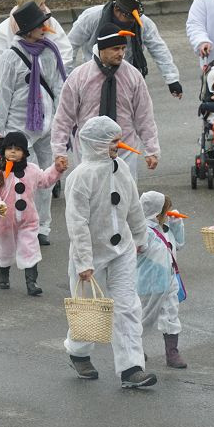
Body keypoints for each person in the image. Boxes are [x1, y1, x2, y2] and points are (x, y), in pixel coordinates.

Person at [64, 116, 157, 389]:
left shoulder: (122, 169)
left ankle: (131, 367)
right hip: (90, 255)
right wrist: (83, 260)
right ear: (96, 144)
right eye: (112, 141)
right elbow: (76, 222)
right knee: (89, 310)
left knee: (127, 306)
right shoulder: (80, 177)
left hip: (122, 250)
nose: (118, 145)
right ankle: (78, 351)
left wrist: (140, 237)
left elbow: (133, 206)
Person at [0, 0, 67, 246]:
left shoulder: (50, 51)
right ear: (28, 30)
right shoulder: (10, 57)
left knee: (46, 178)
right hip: (19, 128)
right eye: (39, 24)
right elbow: (3, 94)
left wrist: (62, 119)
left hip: (47, 124)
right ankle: (20, 223)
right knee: (25, 180)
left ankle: (42, 226)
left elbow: (57, 86)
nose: (44, 27)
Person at [51, 22, 159, 181]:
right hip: (88, 151)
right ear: (102, 49)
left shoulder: (133, 76)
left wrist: (152, 150)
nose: (121, 53)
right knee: (91, 199)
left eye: (123, 48)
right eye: (115, 49)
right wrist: (59, 151)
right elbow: (64, 116)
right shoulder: (80, 76)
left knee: (124, 199)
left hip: (124, 150)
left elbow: (144, 116)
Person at [0, 132, 66, 296]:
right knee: (4, 250)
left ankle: (31, 282)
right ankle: (4, 273)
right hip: (5, 221)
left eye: (17, 149)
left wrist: (56, 169)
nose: (13, 152)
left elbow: (45, 180)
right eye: (9, 148)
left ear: (24, 152)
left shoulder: (32, 170)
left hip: (28, 220)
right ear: (3, 151)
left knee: (30, 249)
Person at [68, 0, 182, 98]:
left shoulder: (142, 22)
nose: (132, 21)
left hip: (127, 79)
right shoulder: (92, 18)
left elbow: (158, 48)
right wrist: (68, 80)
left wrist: (172, 79)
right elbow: (70, 46)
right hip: (93, 78)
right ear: (117, 9)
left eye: (135, 17)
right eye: (128, 16)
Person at [136, 191, 187, 369]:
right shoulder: (143, 231)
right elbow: (136, 247)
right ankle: (134, 349)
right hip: (149, 285)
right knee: (143, 318)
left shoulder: (166, 229)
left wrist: (176, 224)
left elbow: (179, 244)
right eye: (167, 212)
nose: (169, 214)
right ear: (157, 214)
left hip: (170, 281)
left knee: (171, 314)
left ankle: (172, 352)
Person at [0, 0, 73, 71]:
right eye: (40, 4)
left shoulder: (51, 22)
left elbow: (65, 50)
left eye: (44, 2)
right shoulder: (3, 30)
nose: (44, 7)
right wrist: (20, 72)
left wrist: (53, 71)